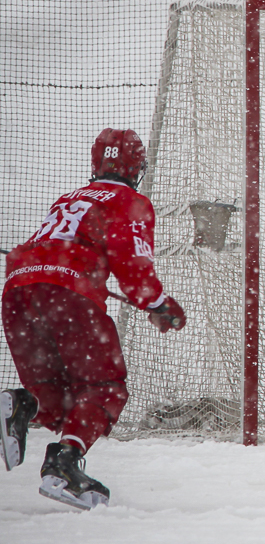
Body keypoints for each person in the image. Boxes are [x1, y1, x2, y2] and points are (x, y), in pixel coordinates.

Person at [2, 129, 187, 509]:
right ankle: (63, 467)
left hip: (19, 292)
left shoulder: (69, 198)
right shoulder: (129, 200)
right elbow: (132, 266)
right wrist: (159, 304)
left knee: (56, 396)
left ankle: (20, 404)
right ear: (136, 166)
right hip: (69, 297)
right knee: (105, 390)